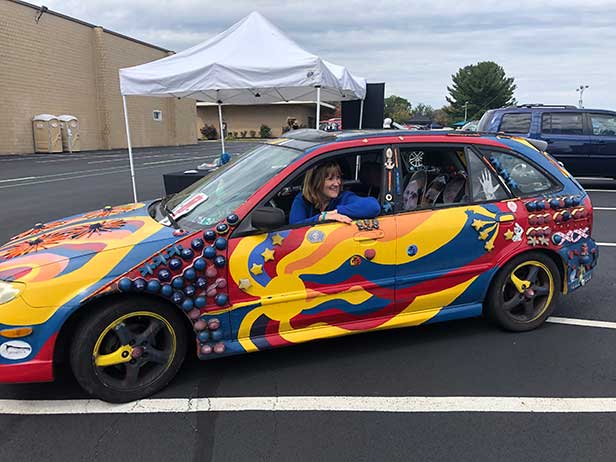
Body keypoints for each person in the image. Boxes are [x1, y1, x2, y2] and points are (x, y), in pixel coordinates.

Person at [289, 161, 381, 225]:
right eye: (330, 179)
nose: (337, 183)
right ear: (316, 182)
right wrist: (322, 217)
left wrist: (337, 212)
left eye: (338, 178)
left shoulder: (343, 197)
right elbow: (294, 227)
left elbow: (373, 207)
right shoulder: (302, 199)